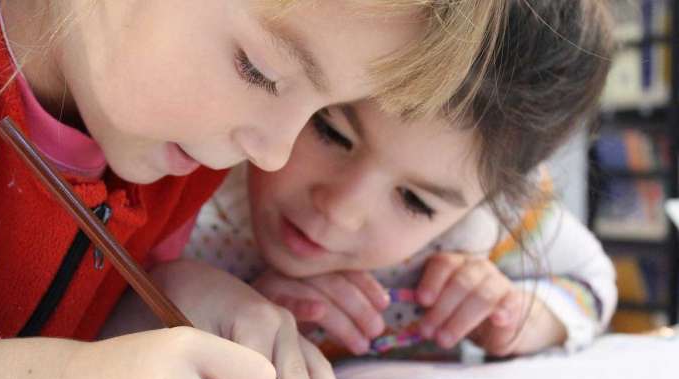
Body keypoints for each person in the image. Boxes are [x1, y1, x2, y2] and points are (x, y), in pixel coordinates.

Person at [0, 0, 503, 379]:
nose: (274, 155)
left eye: (322, 110)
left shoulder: (177, 155)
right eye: (262, 71)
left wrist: (159, 302)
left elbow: (44, 317)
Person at [177, 0, 617, 359]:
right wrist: (218, 307)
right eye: (331, 132)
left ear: (489, 201)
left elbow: (593, 282)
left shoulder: (486, 228)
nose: (340, 209)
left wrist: (525, 317)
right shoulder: (192, 171)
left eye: (415, 201)